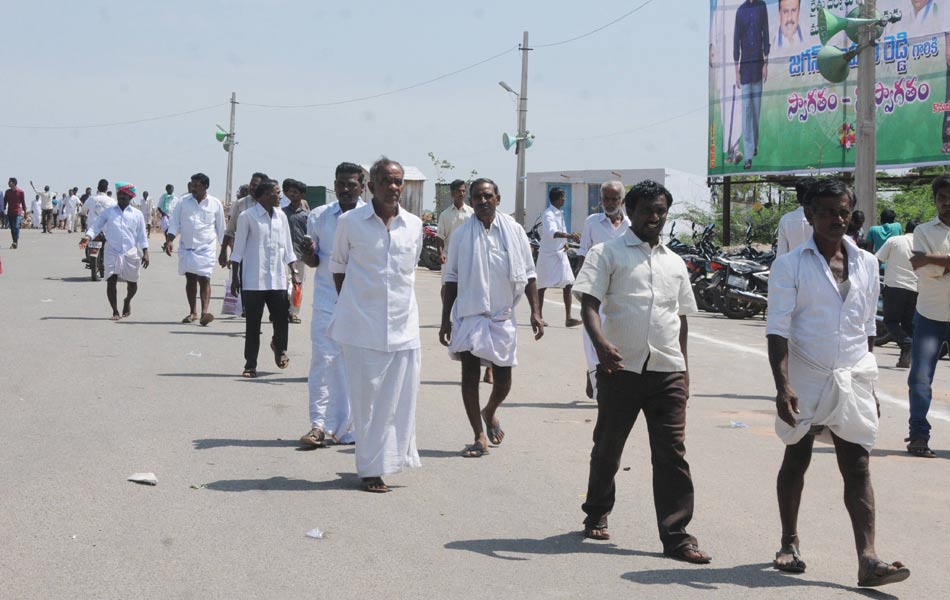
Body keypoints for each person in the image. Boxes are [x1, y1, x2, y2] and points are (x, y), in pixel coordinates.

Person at [766, 179, 910, 587]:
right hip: (805, 374)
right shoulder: (789, 265)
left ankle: (868, 559)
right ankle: (789, 541)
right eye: (828, 212)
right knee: (798, 456)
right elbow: (777, 330)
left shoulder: (866, 263)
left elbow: (865, 329)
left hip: (853, 375)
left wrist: (871, 386)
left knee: (858, 464)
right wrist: (783, 385)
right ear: (809, 216)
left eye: (843, 211)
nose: (837, 219)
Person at [573, 180, 710, 564]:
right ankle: (597, 508)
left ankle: (677, 535)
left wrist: (683, 370)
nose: (655, 217)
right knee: (608, 448)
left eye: (661, 210)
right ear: (629, 212)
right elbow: (588, 304)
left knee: (671, 455)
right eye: (648, 210)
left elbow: (680, 319)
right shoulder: (607, 253)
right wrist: (600, 345)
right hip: (622, 369)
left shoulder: (674, 261)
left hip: (666, 369)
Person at [328, 157, 423, 493]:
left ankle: (390, 460)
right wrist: (353, 303)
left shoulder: (412, 226)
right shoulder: (350, 223)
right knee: (367, 401)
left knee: (398, 399)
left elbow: (409, 271)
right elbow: (338, 267)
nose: (393, 187)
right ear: (371, 186)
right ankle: (369, 469)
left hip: (403, 325)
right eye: (386, 180)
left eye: (397, 181)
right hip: (361, 326)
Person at [439, 178, 544, 457]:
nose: (482, 202)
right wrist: (444, 319)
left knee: (503, 380)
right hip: (470, 314)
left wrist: (535, 312)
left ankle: (491, 410)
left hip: (502, 317)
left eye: (487, 196)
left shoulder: (515, 231)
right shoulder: (461, 235)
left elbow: (530, 273)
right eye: (477, 198)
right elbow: (450, 280)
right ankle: (478, 435)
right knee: (470, 376)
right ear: (470, 201)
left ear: (498, 198)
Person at [297, 163, 365, 448]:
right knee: (323, 362)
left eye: (351, 184)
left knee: (356, 366)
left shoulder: (370, 218)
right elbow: (314, 262)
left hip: (361, 303)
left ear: (362, 186)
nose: (345, 189)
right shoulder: (320, 216)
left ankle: (353, 428)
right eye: (340, 184)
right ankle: (318, 426)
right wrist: (309, 253)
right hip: (327, 300)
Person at [229, 179, 296, 378]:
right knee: (253, 325)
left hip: (277, 279)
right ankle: (250, 364)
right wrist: (235, 278)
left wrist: (293, 270)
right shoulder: (247, 217)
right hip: (253, 280)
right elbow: (238, 250)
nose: (280, 195)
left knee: (282, 319)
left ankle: (279, 347)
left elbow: (288, 247)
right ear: (265, 195)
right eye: (277, 192)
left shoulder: (281, 216)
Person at [905, 175, 950, 458]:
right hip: (930, 314)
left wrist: (933, 260)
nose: (947, 203)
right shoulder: (922, 231)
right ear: (935, 201)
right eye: (942, 198)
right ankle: (919, 435)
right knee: (920, 378)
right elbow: (921, 270)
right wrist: (934, 265)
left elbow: (928, 264)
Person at [576, 181, 631, 399]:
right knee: (593, 337)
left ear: (622, 201)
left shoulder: (630, 225)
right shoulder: (592, 222)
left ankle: (599, 377)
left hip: (622, 290)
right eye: (605, 199)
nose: (609, 203)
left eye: (614, 199)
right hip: (596, 289)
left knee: (617, 337)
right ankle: (595, 377)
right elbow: (583, 252)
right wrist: (580, 284)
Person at [80, 182, 150, 320]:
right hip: (111, 251)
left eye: (125, 194)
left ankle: (127, 301)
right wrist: (87, 237)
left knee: (133, 283)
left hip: (130, 252)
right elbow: (96, 225)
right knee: (111, 280)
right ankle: (115, 311)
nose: (122, 197)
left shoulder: (137, 214)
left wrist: (146, 252)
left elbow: (142, 235)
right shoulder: (109, 212)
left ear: (130, 196)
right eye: (120, 194)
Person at [164, 173, 225, 326]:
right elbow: (174, 223)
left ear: (205, 186)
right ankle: (193, 312)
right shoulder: (183, 202)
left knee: (205, 278)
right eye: (192, 185)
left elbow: (221, 229)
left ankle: (205, 313)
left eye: (197, 185)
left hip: (207, 247)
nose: (193, 188)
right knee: (190, 278)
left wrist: (224, 250)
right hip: (187, 247)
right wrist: (169, 240)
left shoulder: (215, 204)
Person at [876, 221, 920, 368]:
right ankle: (904, 359)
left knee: (890, 321)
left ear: (905, 229)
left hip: (895, 286)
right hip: (915, 288)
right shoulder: (923, 245)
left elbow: (877, 260)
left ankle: (907, 343)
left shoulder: (894, 240)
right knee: (908, 323)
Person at [536, 187, 582, 327]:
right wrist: (569, 236)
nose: (565, 200)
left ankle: (568, 318)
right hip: (548, 255)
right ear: (557, 198)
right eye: (563, 197)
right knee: (541, 286)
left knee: (568, 283)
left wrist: (566, 242)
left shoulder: (559, 213)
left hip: (560, 253)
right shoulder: (548, 214)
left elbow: (561, 231)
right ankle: (538, 316)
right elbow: (552, 232)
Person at [733, 0, 770, 170]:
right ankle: (748, 156)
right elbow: (736, 39)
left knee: (756, 110)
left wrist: (766, 63)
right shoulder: (740, 11)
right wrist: (736, 70)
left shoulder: (761, 6)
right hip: (745, 68)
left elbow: (766, 33)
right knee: (746, 112)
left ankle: (754, 144)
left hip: (758, 64)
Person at [219, 172, 268, 268]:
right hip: (244, 253)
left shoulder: (270, 204)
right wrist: (223, 250)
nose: (252, 187)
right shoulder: (241, 203)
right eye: (251, 184)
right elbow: (230, 230)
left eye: (255, 185)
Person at [281, 179, 309, 324]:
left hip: (299, 256)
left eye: (295, 192)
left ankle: (293, 312)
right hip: (284, 255)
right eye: (290, 191)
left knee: (297, 285)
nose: (292, 194)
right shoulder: (282, 213)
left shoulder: (306, 215)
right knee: (283, 284)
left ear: (302, 194)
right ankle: (280, 311)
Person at [436, 179, 474, 262]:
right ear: (452, 193)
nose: (461, 194)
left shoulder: (472, 214)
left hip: (467, 258)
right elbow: (440, 237)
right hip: (449, 258)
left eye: (463, 191)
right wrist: (440, 254)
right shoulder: (445, 215)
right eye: (459, 191)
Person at [776, 180, 813, 256]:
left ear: (797, 197)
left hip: (792, 267)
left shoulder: (786, 220)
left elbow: (781, 253)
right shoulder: (823, 219)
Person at [3, 178, 27, 249]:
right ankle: (14, 241)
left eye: (9, 182)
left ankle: (15, 241)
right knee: (12, 229)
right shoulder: (7, 192)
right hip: (10, 212)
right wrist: (3, 209)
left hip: (17, 212)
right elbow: (4, 201)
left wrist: (25, 212)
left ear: (13, 183)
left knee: (16, 227)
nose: (8, 183)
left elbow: (23, 203)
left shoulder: (20, 192)